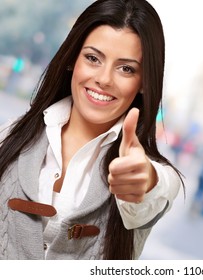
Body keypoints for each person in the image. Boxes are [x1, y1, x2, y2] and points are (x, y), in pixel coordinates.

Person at [0, 0, 183, 260]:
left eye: (126, 68)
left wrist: (145, 181)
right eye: (93, 58)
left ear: (144, 82)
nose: (104, 79)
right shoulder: (11, 135)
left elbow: (156, 188)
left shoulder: (150, 173)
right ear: (73, 59)